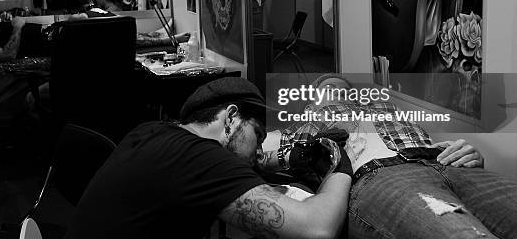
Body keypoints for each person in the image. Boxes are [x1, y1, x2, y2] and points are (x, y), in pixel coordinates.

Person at [67, 77, 354, 239]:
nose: (259, 151)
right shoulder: (200, 161)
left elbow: (248, 158)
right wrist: (341, 164)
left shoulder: (154, 131)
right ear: (230, 118)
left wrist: (284, 158)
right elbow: (317, 229)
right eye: (258, 135)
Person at [259, 75, 517, 239]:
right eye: (328, 89)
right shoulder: (305, 124)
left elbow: (424, 138)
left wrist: (470, 154)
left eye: (344, 90)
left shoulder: (387, 108)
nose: (339, 93)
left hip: (445, 160)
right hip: (383, 176)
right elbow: (253, 152)